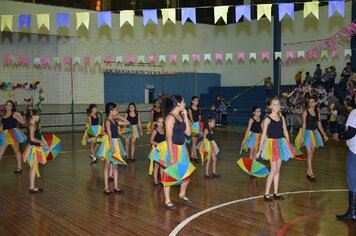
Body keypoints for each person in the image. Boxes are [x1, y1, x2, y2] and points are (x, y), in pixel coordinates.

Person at [256, 97, 295, 201]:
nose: (276, 106)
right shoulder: (267, 119)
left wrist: (289, 146)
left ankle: (276, 193)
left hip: (281, 144)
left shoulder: (281, 118)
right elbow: (263, 135)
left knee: (278, 170)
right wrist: (259, 150)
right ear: (270, 106)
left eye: (278, 104)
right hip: (272, 144)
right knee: (273, 170)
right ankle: (266, 193)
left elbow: (285, 132)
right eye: (274, 104)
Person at [164, 95, 193, 210]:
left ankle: (182, 194)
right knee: (170, 174)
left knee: (187, 172)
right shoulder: (170, 118)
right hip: (173, 148)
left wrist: (185, 116)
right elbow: (168, 137)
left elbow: (189, 133)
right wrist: (171, 155)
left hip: (182, 148)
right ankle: (167, 200)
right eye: (184, 102)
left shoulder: (180, 116)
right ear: (178, 103)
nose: (185, 104)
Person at [97, 103, 130, 195]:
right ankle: (106, 187)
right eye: (116, 110)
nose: (117, 111)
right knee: (107, 165)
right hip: (110, 144)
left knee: (115, 166)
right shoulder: (107, 122)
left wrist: (119, 117)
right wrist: (112, 148)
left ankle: (116, 187)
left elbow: (128, 123)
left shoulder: (115, 121)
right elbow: (110, 135)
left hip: (116, 142)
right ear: (111, 111)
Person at [295, 97, 328, 182]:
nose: (311, 103)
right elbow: (304, 125)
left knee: (312, 154)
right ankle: (312, 174)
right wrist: (302, 137)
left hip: (314, 133)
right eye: (310, 102)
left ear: (316, 103)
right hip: (307, 133)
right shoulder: (305, 112)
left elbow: (319, 124)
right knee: (309, 153)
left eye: (313, 102)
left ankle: (308, 172)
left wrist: (324, 135)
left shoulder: (317, 112)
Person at [335, 101, 356, 221]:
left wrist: (340, 136)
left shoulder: (354, 113)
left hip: (355, 152)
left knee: (353, 181)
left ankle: (352, 212)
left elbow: (351, 133)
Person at [22, 109, 46, 194]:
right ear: (33, 116)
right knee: (33, 168)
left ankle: (32, 187)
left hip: (34, 148)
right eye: (38, 115)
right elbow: (32, 139)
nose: (39, 116)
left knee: (32, 168)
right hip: (34, 149)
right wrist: (40, 141)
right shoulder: (32, 126)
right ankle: (32, 188)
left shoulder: (33, 125)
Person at [0, 100, 27, 174]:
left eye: (10, 105)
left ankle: (19, 168)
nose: (7, 106)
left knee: (16, 151)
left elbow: (22, 122)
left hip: (13, 134)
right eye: (6, 105)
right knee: (0, 152)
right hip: (4, 134)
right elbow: (2, 125)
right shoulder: (3, 114)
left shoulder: (14, 114)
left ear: (12, 107)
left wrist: (21, 115)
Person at [148, 116, 165, 187]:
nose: (160, 124)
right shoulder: (155, 130)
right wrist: (159, 144)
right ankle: (155, 181)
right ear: (157, 123)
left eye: (162, 122)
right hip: (157, 150)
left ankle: (162, 180)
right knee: (157, 165)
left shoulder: (164, 130)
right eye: (159, 122)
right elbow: (151, 141)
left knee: (162, 166)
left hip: (163, 150)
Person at [188, 96, 201, 162]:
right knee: (193, 142)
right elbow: (191, 119)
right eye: (195, 100)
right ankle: (195, 156)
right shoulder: (190, 109)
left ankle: (192, 155)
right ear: (192, 101)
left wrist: (200, 125)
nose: (197, 102)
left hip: (197, 125)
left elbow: (199, 117)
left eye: (197, 101)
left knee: (195, 142)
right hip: (193, 126)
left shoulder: (198, 108)